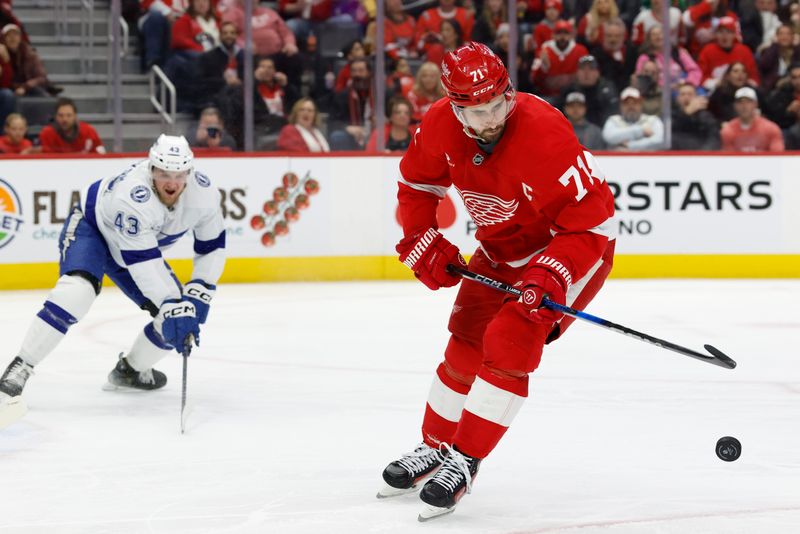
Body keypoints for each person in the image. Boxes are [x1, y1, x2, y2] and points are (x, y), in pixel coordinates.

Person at [378, 42, 615, 521]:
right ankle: (437, 447)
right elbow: (417, 186)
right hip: (501, 249)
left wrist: (552, 273)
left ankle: (464, 461)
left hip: (571, 247)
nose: (488, 120)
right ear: (454, 106)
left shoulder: (545, 133)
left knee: (509, 341)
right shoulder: (442, 124)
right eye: (475, 111)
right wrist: (421, 237)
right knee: (464, 344)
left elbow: (590, 223)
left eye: (496, 106)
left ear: (508, 94)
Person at [0, 135, 226, 424]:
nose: (171, 183)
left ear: (190, 173)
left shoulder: (204, 195)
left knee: (174, 321)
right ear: (151, 169)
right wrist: (173, 303)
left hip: (134, 250)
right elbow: (143, 264)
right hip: (92, 230)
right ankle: (19, 369)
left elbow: (213, 245)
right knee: (77, 293)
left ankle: (129, 371)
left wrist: (200, 290)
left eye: (179, 175)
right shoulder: (132, 196)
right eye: (163, 174)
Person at [721, 86, 784, 151]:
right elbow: (728, 157)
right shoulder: (728, 130)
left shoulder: (771, 129)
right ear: (735, 105)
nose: (744, 106)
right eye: (740, 102)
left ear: (756, 104)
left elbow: (777, 156)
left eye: (748, 102)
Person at [602, 86, 665, 150]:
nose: (631, 106)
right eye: (626, 103)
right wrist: (641, 131)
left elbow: (659, 140)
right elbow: (609, 137)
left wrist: (630, 146)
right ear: (620, 106)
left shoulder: (653, 120)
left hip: (647, 159)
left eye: (635, 102)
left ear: (641, 104)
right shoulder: (613, 120)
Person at [39, 98, 106, 154]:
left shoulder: (88, 131)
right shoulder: (47, 133)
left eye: (69, 115)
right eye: (61, 115)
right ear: (55, 116)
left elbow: (101, 153)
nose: (64, 119)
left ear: (75, 116)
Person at [671, 82, 720, 150]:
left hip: (701, 153)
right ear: (677, 98)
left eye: (690, 94)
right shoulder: (671, 115)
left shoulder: (705, 116)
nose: (686, 97)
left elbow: (713, 137)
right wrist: (686, 113)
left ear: (696, 97)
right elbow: (671, 132)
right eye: (683, 94)